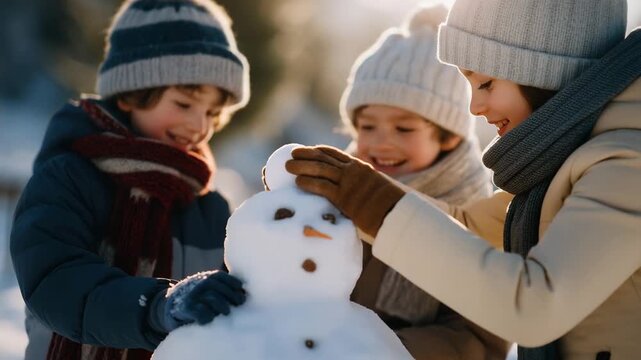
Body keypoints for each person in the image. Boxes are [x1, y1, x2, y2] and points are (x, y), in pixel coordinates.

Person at [286, 0, 641, 359]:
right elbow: (466, 226)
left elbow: (536, 305)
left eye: (485, 83)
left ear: (543, 68)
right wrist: (349, 192)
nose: (474, 107)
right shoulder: (564, 166)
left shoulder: (626, 161)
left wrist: (373, 202)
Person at [10, 1, 250, 359]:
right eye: (184, 104)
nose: (200, 126)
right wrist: (158, 307)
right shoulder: (70, 177)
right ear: (132, 93)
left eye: (213, 113)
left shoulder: (209, 207)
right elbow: (55, 281)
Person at [339, 4, 507, 359]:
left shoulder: (475, 219)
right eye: (368, 126)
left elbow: (479, 338)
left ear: (447, 137)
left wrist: (379, 350)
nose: (382, 142)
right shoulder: (334, 189)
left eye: (404, 128)